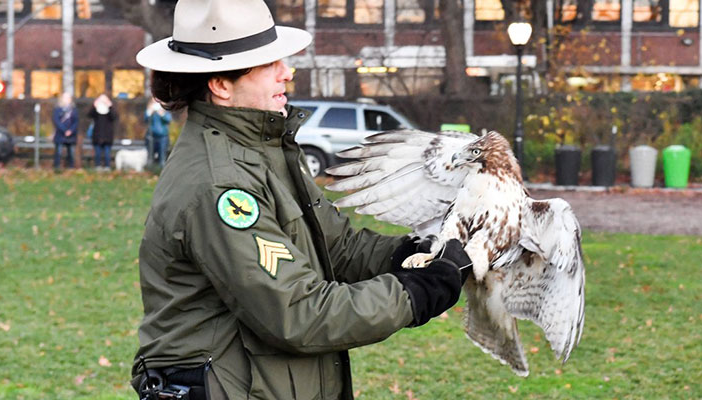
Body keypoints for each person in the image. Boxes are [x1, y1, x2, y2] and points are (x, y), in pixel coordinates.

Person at [130, 1, 472, 399]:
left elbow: (336, 248)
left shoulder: (263, 149)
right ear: (220, 85)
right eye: (268, 64)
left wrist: (414, 254)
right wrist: (414, 292)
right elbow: (297, 314)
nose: (287, 73)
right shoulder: (220, 185)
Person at [88, 94, 118, 170]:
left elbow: (114, 116)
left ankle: (107, 166)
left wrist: (110, 106)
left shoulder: (110, 111)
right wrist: (94, 106)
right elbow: (89, 115)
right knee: (97, 153)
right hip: (97, 136)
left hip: (107, 136)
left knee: (107, 153)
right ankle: (97, 166)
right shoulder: (96, 111)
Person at [52, 92, 78, 169]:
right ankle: (57, 167)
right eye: (65, 98)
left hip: (71, 135)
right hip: (60, 134)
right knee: (58, 152)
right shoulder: (58, 109)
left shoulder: (74, 110)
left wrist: (70, 131)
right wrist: (64, 130)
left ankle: (71, 167)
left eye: (68, 98)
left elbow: (76, 122)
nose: (67, 99)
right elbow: (56, 121)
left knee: (71, 153)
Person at [144, 97, 172, 168]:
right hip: (151, 136)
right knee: (150, 155)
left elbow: (168, 120)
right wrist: (150, 111)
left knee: (162, 156)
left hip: (163, 136)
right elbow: (145, 119)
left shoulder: (164, 110)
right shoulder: (150, 110)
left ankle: (161, 171)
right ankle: (150, 170)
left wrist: (161, 113)